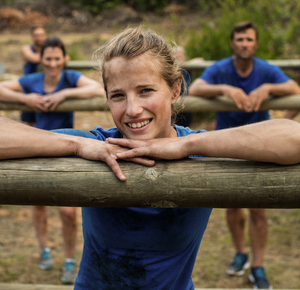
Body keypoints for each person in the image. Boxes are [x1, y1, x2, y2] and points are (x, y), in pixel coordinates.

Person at [0, 26, 300, 290]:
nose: (132, 109)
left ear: (175, 89)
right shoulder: (100, 143)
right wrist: (76, 146)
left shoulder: (196, 147)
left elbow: (293, 138)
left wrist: (187, 146)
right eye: (118, 95)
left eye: (145, 91)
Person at [188, 21, 300, 289]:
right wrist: (226, 90)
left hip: (260, 147)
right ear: (232, 43)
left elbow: (295, 90)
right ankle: (241, 253)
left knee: (258, 210)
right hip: (225, 147)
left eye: (249, 39)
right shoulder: (221, 68)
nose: (244, 44)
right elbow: (195, 89)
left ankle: (258, 267)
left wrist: (268, 90)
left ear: (256, 43)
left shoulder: (265, 69)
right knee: (232, 206)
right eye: (239, 39)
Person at [0, 36, 105, 284]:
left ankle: (69, 259)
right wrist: (26, 99)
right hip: (34, 149)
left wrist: (64, 95)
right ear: (41, 59)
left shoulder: (69, 78)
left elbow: (97, 88)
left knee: (68, 211)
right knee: (38, 205)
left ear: (64, 59)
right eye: (48, 58)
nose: (53, 63)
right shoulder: (33, 80)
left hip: (66, 150)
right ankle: (44, 248)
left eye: (57, 58)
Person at [20, 26, 47, 125]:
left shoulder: (49, 50)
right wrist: (54, 56)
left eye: (41, 35)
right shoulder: (26, 48)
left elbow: (66, 57)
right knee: (30, 121)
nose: (39, 38)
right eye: (36, 35)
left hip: (45, 87)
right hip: (29, 88)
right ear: (32, 36)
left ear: (45, 36)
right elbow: (33, 58)